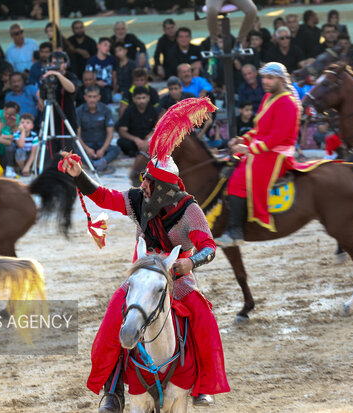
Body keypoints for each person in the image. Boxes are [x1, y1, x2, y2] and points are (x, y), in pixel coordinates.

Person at [62, 98, 229, 411]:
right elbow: (102, 195)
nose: (143, 186)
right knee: (114, 320)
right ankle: (112, 390)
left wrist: (189, 262)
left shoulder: (189, 210)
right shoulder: (138, 200)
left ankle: (202, 385)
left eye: (149, 182)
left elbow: (208, 247)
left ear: (165, 188)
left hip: (178, 277)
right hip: (141, 275)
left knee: (204, 318)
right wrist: (77, 174)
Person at [215, 62, 300, 245]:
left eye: (270, 78)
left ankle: (236, 231)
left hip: (277, 154)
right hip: (264, 150)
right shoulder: (268, 98)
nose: (265, 82)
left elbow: (277, 137)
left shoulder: (287, 103)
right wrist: (241, 140)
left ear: (281, 79)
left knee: (238, 180)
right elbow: (259, 130)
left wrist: (249, 149)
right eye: (264, 78)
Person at [37, 51, 79, 158]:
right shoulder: (46, 78)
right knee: (51, 156)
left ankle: (69, 174)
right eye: (54, 62)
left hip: (67, 120)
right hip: (50, 121)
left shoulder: (70, 76)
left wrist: (58, 75)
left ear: (66, 64)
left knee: (68, 156)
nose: (57, 65)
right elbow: (42, 101)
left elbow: (72, 89)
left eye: (60, 62)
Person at [76, 86, 118, 174]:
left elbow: (110, 133)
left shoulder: (106, 110)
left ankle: (99, 163)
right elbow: (77, 135)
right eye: (89, 96)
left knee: (116, 149)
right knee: (75, 151)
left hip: (101, 145)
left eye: (94, 97)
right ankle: (95, 164)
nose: (92, 99)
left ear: (99, 97)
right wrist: (87, 149)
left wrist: (102, 149)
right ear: (85, 97)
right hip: (86, 145)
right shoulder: (79, 111)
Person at [117, 87, 158, 157]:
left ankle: (140, 152)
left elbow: (157, 129)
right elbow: (122, 131)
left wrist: (147, 140)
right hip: (134, 140)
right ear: (133, 99)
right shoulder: (129, 111)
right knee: (121, 142)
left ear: (148, 98)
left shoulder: (153, 111)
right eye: (138, 98)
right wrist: (136, 139)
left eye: (143, 98)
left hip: (148, 139)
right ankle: (143, 152)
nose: (141, 101)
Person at [86, 37, 118, 104]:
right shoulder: (91, 61)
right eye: (105, 45)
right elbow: (87, 77)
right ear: (98, 45)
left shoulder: (112, 60)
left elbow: (114, 77)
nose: (107, 48)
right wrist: (97, 82)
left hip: (108, 88)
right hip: (95, 88)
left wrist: (115, 90)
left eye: (109, 46)